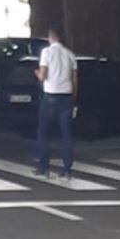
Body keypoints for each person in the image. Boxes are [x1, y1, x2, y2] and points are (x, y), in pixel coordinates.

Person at [35, 28, 78, 180]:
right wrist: (73, 99)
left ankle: (43, 167)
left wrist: (36, 73)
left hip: (50, 97)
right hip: (66, 97)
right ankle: (67, 169)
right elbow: (74, 81)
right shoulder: (70, 55)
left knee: (43, 132)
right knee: (66, 135)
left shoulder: (46, 53)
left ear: (50, 38)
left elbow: (42, 76)